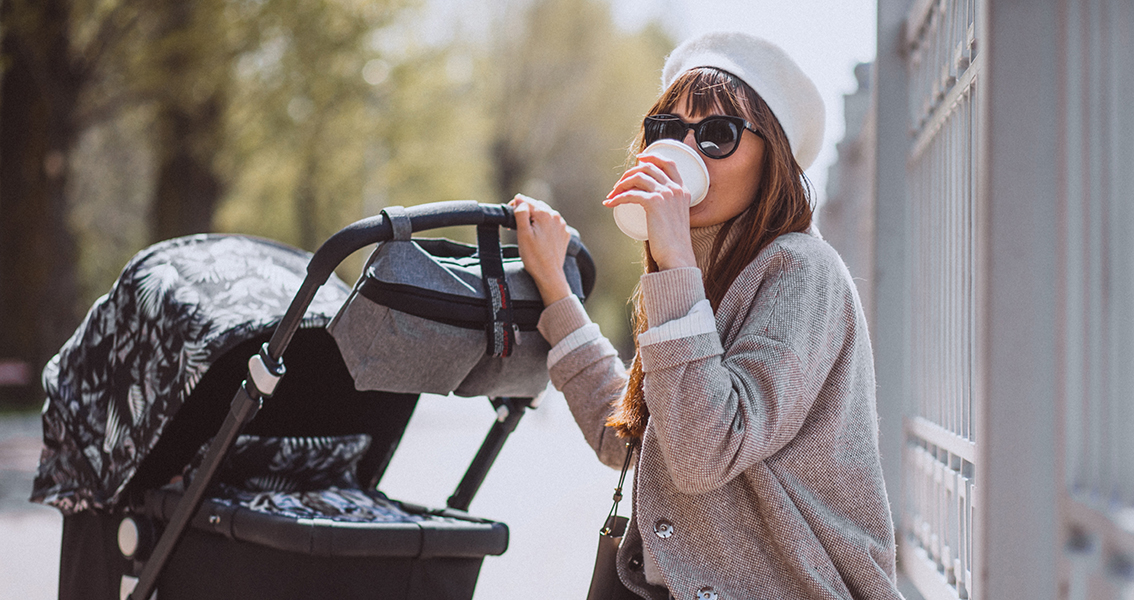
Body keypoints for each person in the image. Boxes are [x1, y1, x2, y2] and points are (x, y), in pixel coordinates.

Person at [510, 31, 903, 600]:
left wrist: (672, 261)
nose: (686, 152)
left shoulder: (799, 269)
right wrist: (555, 286)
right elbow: (635, 441)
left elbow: (703, 452)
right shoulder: (701, 278)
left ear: (773, 159)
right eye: (668, 131)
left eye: (718, 134)